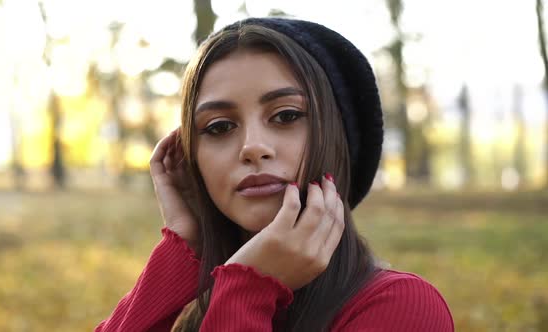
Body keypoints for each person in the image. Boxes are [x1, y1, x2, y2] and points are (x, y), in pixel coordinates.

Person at [95, 17, 454, 332]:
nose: (252, 147)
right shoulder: (199, 307)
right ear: (193, 161)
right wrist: (185, 247)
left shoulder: (401, 306)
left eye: (285, 116)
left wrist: (249, 289)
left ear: (337, 137)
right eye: (219, 127)